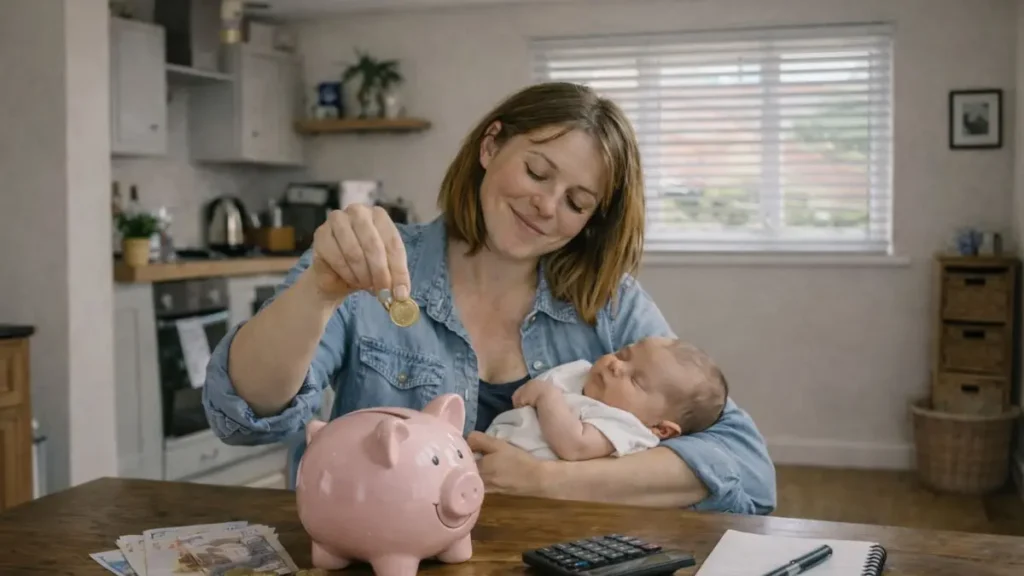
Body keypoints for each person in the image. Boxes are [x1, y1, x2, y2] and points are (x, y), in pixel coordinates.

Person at [201, 81, 776, 514]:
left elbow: (742, 467)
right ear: (490, 145)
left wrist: (548, 481)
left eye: (577, 202)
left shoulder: (611, 303)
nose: (548, 207)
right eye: (536, 171)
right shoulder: (368, 263)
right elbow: (243, 417)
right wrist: (317, 293)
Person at [484, 337, 728, 462]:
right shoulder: (581, 375)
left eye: (636, 380)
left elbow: (575, 446)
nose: (616, 366)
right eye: (623, 354)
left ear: (661, 428)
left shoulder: (628, 426)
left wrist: (546, 396)